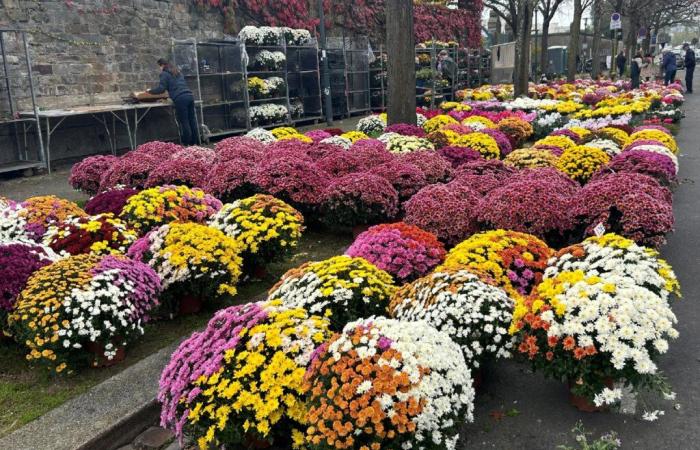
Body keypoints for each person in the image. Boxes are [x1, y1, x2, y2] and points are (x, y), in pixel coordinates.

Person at [148, 58, 199, 145]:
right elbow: (177, 85)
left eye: (159, 67)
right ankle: (195, 142)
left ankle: (186, 144)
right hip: (189, 96)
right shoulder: (178, 72)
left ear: (162, 65)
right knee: (192, 120)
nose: (159, 69)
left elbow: (161, 89)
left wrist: (149, 91)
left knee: (184, 121)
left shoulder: (164, 74)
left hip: (180, 99)